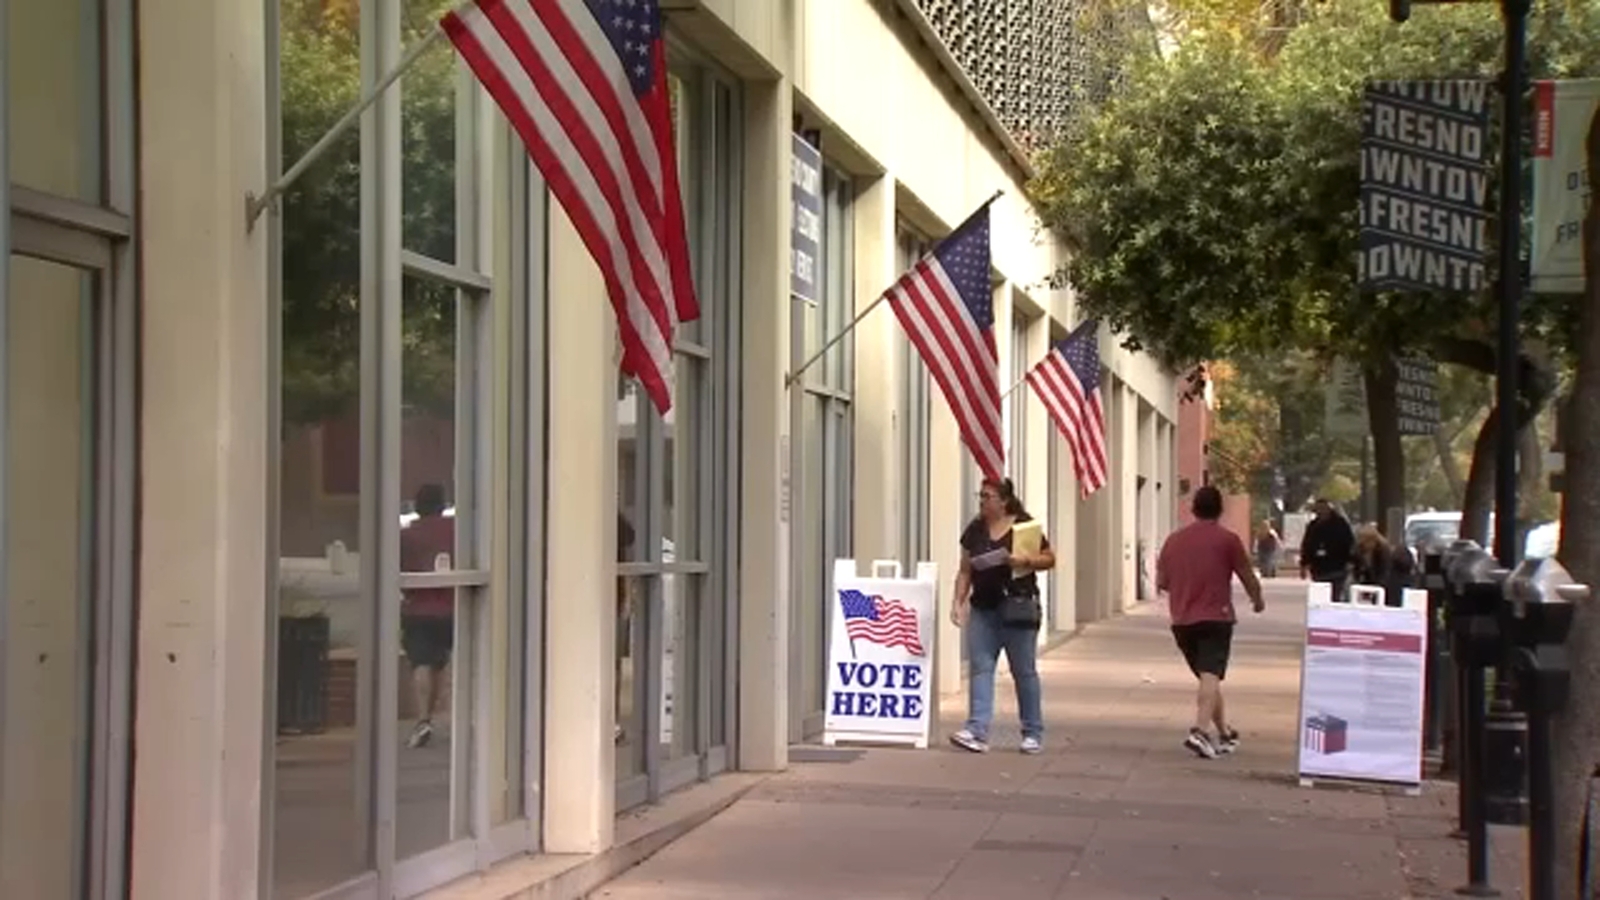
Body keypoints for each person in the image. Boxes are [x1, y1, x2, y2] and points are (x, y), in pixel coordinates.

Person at [1156, 486, 1265, 759]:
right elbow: (1246, 573)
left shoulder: (1173, 541)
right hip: (1216, 616)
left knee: (1208, 677)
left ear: (1193, 509)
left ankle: (1224, 732)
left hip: (1182, 620)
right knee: (1210, 675)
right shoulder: (1228, 540)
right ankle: (1200, 731)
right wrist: (1257, 599)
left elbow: (1162, 582)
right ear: (1220, 509)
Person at [949, 477, 1055, 755]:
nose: (982, 502)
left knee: (1024, 671)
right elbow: (965, 569)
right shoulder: (975, 529)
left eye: (988, 496)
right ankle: (976, 729)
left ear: (1004, 501)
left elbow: (1049, 558)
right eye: (981, 496)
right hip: (984, 608)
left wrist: (1025, 561)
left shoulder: (1023, 526)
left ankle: (1032, 732)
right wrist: (958, 601)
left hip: (1017, 606)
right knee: (981, 667)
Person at [400, 483, 454, 749]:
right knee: (442, 663)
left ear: (417, 506)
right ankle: (440, 716)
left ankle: (424, 718)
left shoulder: (407, 536)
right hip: (453, 607)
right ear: (442, 505)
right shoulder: (456, 530)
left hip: (418, 609)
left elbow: (399, 570)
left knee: (422, 663)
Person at [1299, 498, 1355, 601]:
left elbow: (1350, 542)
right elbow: (1307, 545)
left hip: (1337, 567)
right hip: (1318, 568)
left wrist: (1350, 560)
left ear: (1330, 509)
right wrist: (1304, 565)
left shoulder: (1340, 524)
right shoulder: (1313, 526)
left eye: (1323, 508)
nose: (1321, 511)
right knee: (1321, 598)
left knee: (1335, 597)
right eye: (1318, 509)